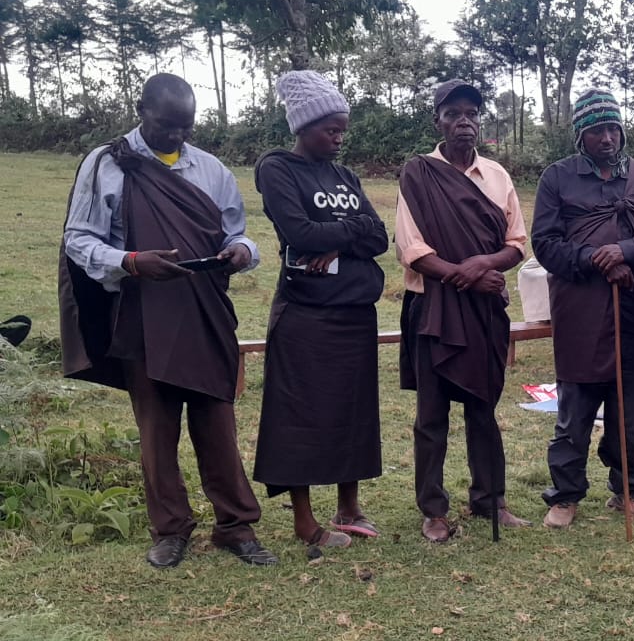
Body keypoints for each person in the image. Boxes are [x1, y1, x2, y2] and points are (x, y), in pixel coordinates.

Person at [59, 73, 276, 569]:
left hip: (203, 310)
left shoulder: (212, 168)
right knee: (157, 429)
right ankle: (170, 529)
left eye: (186, 127)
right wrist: (132, 261)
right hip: (141, 312)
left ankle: (234, 525)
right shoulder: (107, 163)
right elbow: (78, 239)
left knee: (216, 420)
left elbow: (239, 233)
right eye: (166, 126)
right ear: (141, 109)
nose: (177, 137)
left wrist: (241, 252)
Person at [252, 70, 389, 549]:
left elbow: (381, 237)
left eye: (342, 130)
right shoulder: (277, 169)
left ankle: (349, 507)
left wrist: (344, 235)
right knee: (302, 417)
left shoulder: (344, 175)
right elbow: (301, 234)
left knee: (352, 412)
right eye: (330, 129)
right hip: (306, 314)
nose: (337, 139)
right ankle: (306, 523)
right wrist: (353, 232)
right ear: (304, 126)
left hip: (354, 313)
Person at [532, 88, 634, 529]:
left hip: (630, 315)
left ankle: (630, 491)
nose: (608, 138)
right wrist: (597, 259)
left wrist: (626, 251)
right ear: (581, 135)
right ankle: (565, 495)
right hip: (580, 312)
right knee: (574, 412)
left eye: (613, 128)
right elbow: (546, 243)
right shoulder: (557, 179)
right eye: (597, 130)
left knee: (629, 414)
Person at [396, 79, 530, 543]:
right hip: (432, 309)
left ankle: (490, 499)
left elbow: (516, 245)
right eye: (453, 113)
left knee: (482, 407)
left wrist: (485, 263)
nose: (464, 122)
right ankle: (433, 510)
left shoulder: (498, 177)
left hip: (484, 313)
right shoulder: (417, 174)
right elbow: (413, 250)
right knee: (431, 414)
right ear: (437, 120)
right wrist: (470, 274)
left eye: (472, 113)